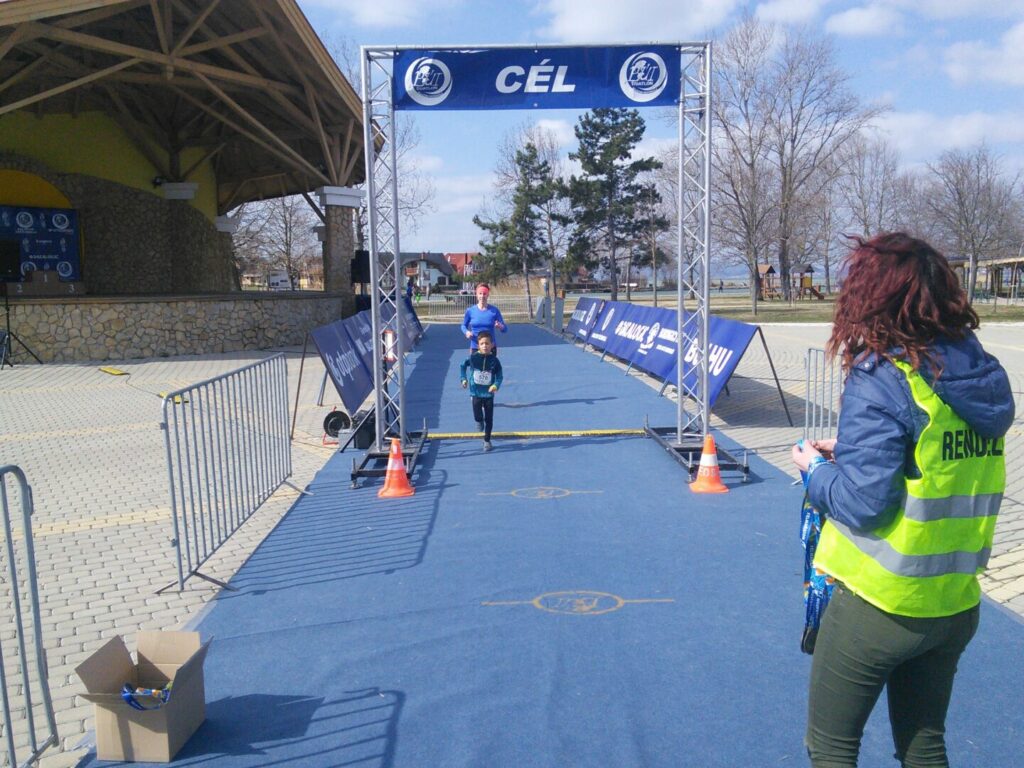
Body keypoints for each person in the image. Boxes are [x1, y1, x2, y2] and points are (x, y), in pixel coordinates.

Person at [791, 232, 1014, 768]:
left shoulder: (884, 375)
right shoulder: (980, 375)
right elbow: (929, 455)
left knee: (831, 748)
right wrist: (854, 448)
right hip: (954, 603)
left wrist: (816, 471)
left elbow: (865, 505)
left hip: (880, 603)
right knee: (923, 745)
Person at [460, 330, 503, 451]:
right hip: (476, 392)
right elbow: (463, 366)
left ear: (492, 345)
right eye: (482, 344)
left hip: (488, 394)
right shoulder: (473, 358)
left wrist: (495, 385)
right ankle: (479, 421)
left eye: (487, 343)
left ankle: (487, 440)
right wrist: (463, 379)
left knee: (489, 418)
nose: (485, 346)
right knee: (478, 415)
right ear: (478, 345)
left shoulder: (494, 360)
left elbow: (499, 375)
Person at [460, 282, 507, 352]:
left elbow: (505, 329)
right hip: (475, 347)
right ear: (476, 295)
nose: (482, 296)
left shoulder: (494, 310)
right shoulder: (470, 311)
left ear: (488, 295)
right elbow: (463, 326)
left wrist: (500, 326)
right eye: (480, 293)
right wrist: (467, 332)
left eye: (484, 294)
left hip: (490, 348)